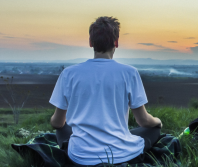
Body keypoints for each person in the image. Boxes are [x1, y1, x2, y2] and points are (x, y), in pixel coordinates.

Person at [49, 16, 162, 166]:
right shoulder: (130, 73)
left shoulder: (69, 74)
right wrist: (158, 122)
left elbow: (56, 123)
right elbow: (143, 121)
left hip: (80, 157)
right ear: (116, 42)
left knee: (62, 128)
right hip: (121, 154)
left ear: (91, 43)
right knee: (153, 130)